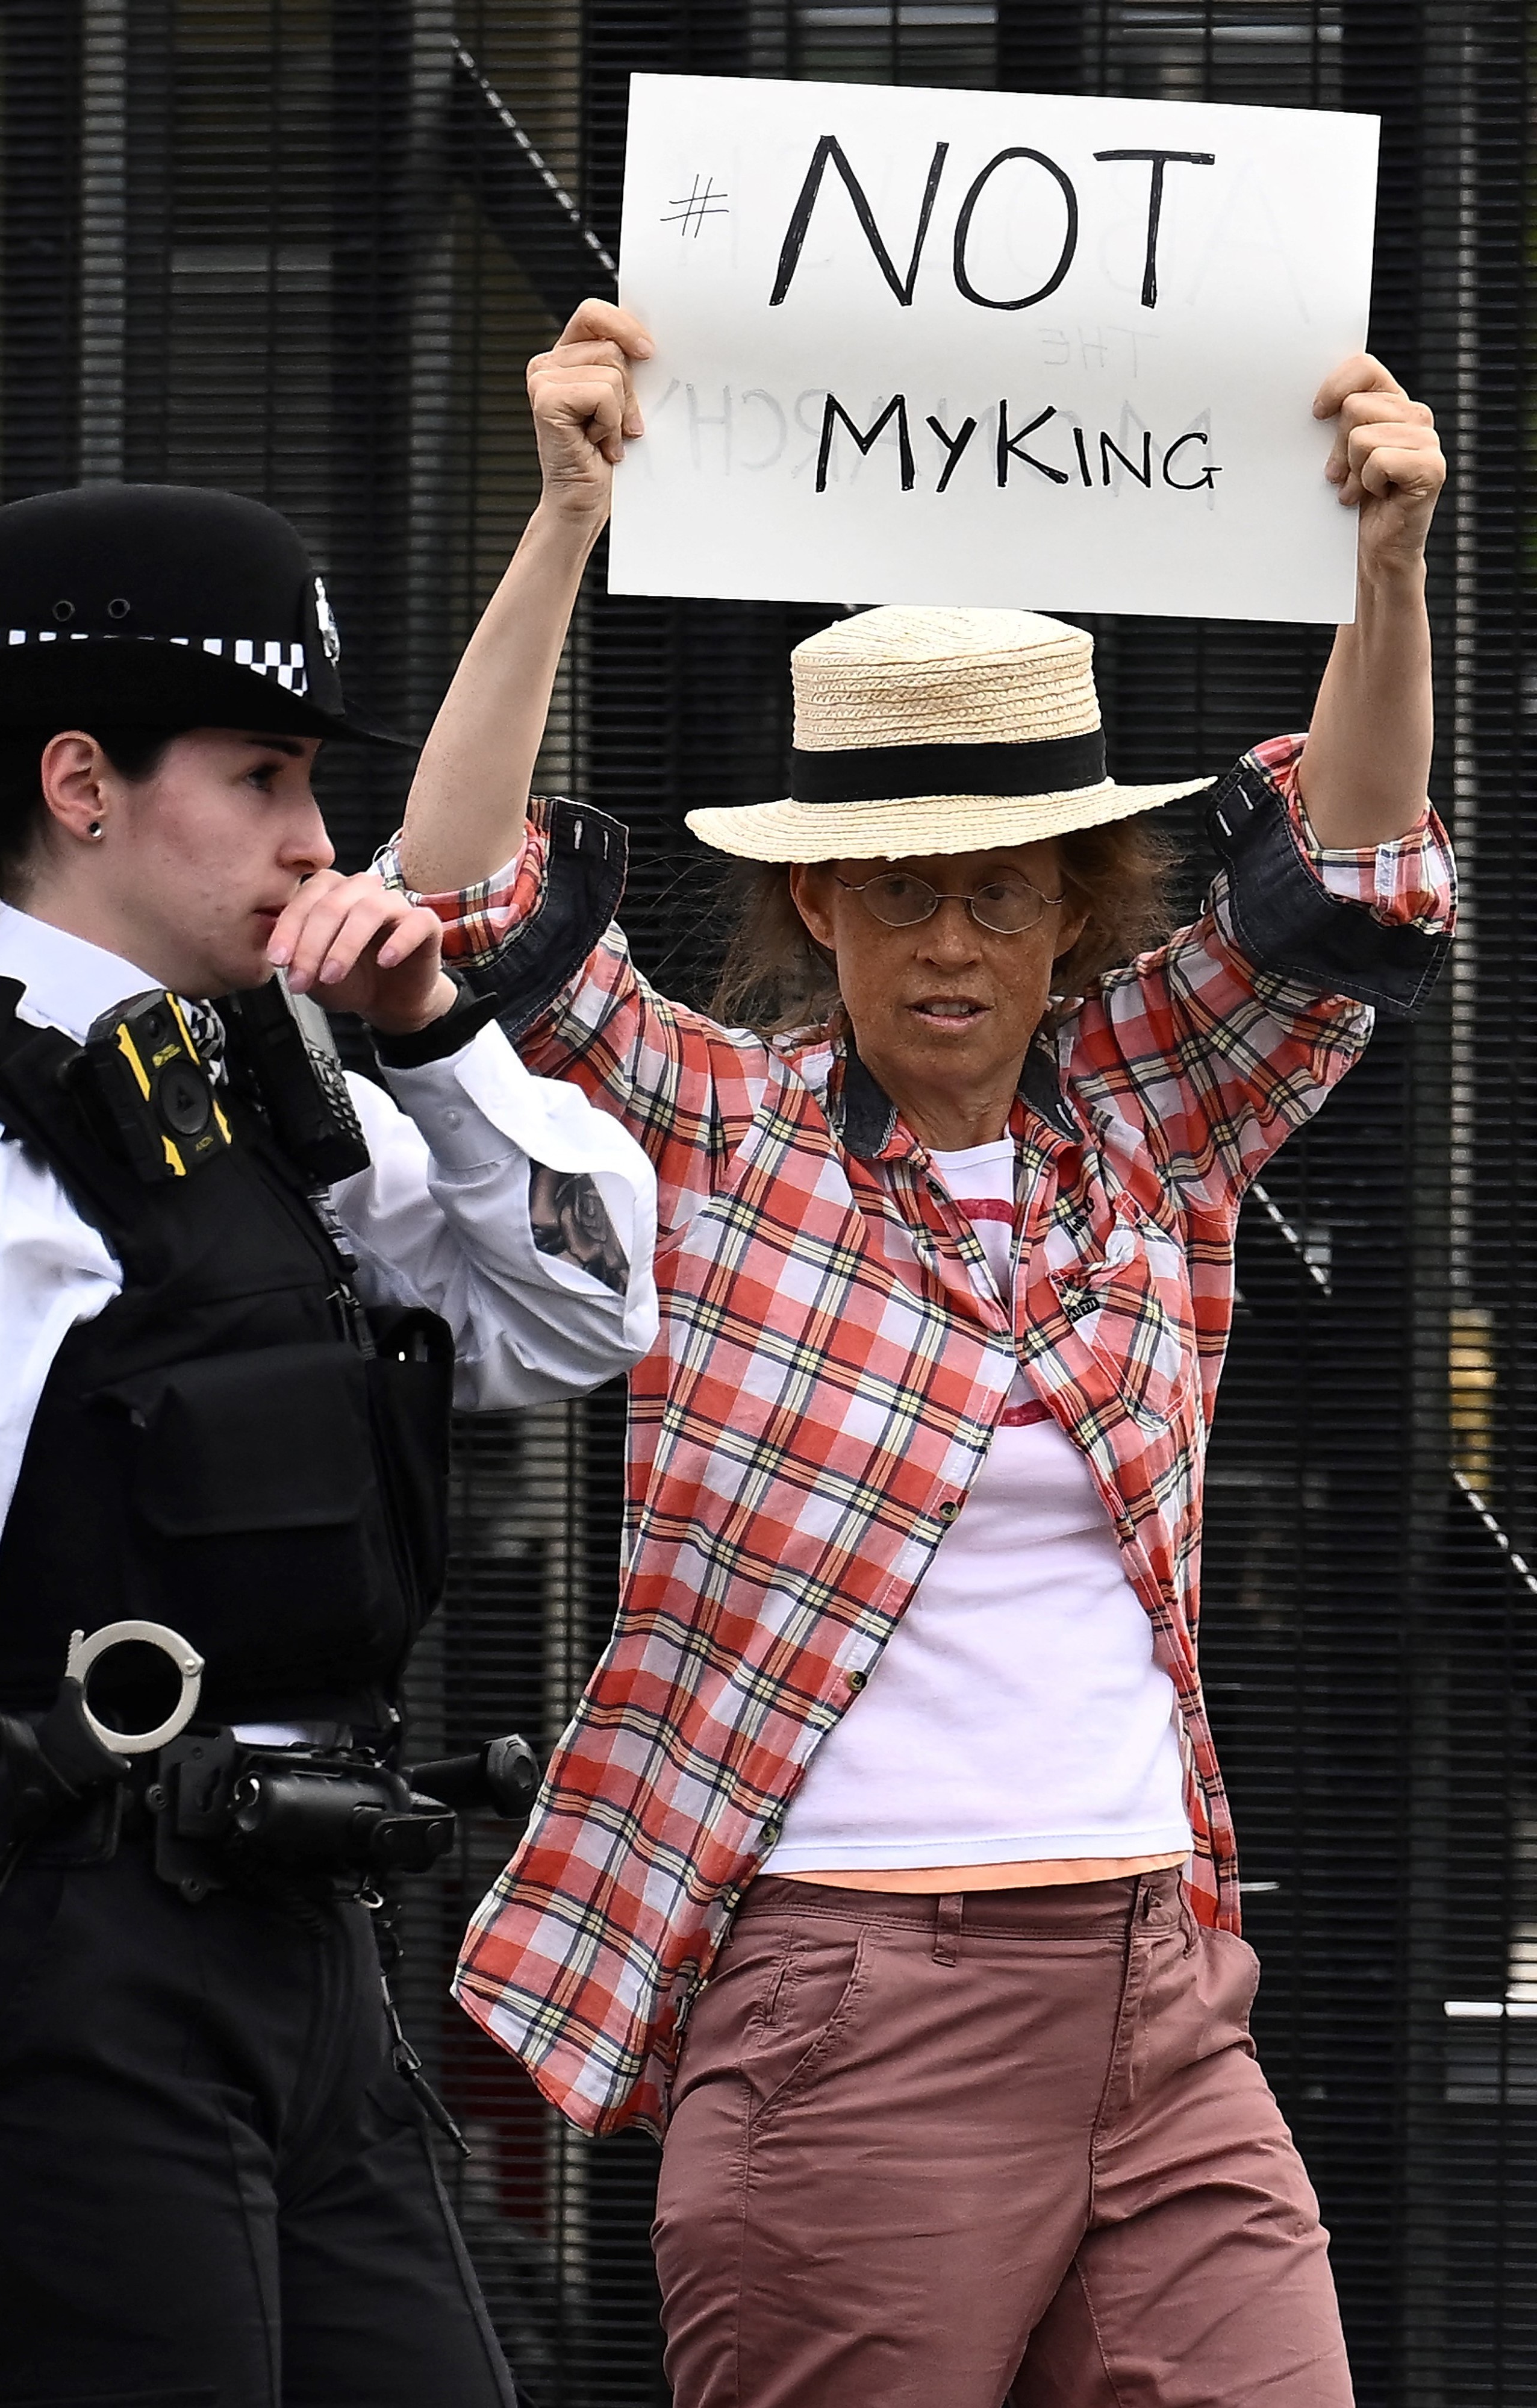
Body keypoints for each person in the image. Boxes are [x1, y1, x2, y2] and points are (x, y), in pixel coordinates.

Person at [401, 301, 1452, 2407]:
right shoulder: (712, 1126)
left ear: (1076, 906)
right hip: (847, 1994)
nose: (947, 942)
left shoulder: (1147, 1123)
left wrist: (1388, 566)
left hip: (1158, 1982)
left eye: (994, 892)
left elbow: (1348, 884)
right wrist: (559, 520)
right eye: (892, 896)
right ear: (816, 918)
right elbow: (447, 895)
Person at [0, 482, 661, 2405]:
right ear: (79, 782)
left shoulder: (274, 1103)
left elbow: (587, 1302)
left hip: (305, 1955)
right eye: (264, 774)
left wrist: (434, 1034)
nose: (314, 841)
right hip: (70, 1970)